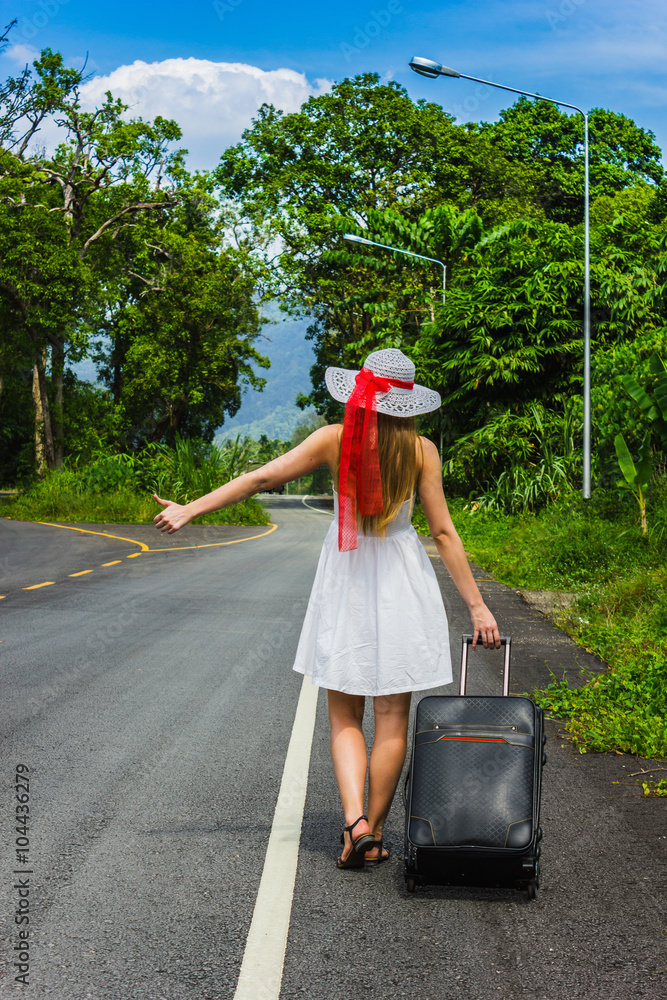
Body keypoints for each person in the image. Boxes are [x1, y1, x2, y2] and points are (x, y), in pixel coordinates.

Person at [153, 348, 500, 870]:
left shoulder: (335, 440)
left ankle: (354, 820)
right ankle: (376, 833)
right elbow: (444, 532)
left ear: (360, 393)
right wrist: (478, 608)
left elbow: (261, 478)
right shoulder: (423, 451)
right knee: (391, 716)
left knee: (343, 714)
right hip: (402, 583)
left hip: (347, 579)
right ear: (408, 405)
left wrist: (191, 509)